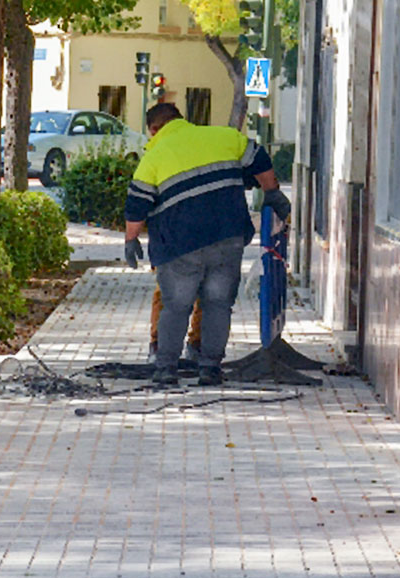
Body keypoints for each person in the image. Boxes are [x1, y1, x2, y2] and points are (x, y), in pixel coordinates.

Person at [123, 103, 289, 387]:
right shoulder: (223, 137)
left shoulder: (154, 157)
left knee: (176, 306)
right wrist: (271, 191)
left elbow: (137, 205)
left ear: (154, 129)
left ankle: (166, 369)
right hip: (228, 237)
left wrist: (130, 239)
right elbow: (259, 157)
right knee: (218, 304)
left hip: (179, 245)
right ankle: (210, 368)